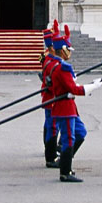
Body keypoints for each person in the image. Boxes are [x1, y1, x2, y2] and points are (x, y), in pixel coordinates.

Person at [47, 24, 102, 183]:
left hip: (67, 107)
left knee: (79, 133)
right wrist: (92, 87)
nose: (70, 53)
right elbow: (72, 89)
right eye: (68, 50)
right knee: (69, 139)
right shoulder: (63, 67)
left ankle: (65, 163)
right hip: (65, 108)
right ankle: (65, 171)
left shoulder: (60, 66)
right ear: (63, 50)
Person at [41, 20, 61, 168]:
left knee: (50, 125)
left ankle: (50, 151)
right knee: (53, 126)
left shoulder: (49, 59)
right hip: (53, 98)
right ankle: (51, 155)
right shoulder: (53, 62)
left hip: (50, 97)